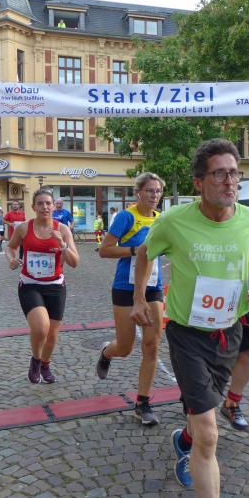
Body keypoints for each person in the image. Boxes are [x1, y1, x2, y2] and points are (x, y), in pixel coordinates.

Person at [129, 139, 249, 498]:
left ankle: (184, 439)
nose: (230, 181)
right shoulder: (174, 221)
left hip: (229, 331)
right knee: (210, 432)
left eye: (234, 173)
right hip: (187, 334)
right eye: (219, 174)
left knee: (203, 413)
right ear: (199, 182)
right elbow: (145, 253)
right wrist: (139, 298)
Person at [96, 172, 166, 426]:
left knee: (152, 344)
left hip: (153, 287)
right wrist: (136, 250)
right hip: (125, 287)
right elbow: (104, 250)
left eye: (158, 191)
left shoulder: (161, 219)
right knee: (125, 348)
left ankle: (142, 402)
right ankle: (107, 352)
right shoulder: (127, 216)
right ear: (138, 192)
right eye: (149, 191)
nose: (154, 195)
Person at [6, 189, 79, 384]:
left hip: (55, 286)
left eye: (48, 203)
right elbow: (10, 247)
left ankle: (45, 365)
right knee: (40, 329)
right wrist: (11, 259)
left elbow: (74, 262)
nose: (45, 207)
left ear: (53, 206)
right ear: (33, 207)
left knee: (52, 334)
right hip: (30, 284)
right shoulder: (24, 228)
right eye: (40, 203)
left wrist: (62, 244)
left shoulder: (63, 229)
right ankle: (36, 361)